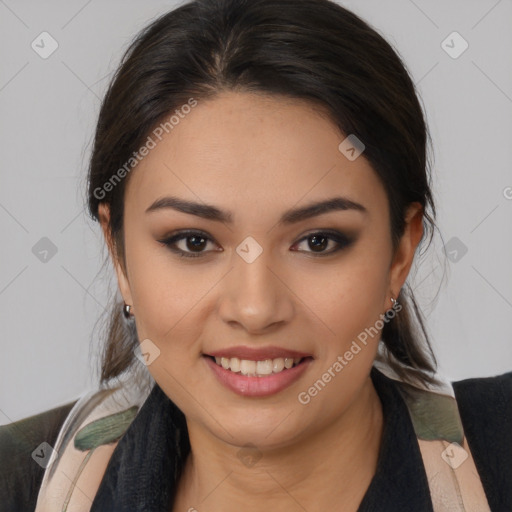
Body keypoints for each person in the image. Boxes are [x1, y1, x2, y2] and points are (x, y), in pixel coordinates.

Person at [1, 0, 511, 511]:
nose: (255, 309)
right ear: (119, 253)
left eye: (318, 241)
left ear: (400, 252)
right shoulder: (17, 485)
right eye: (193, 242)